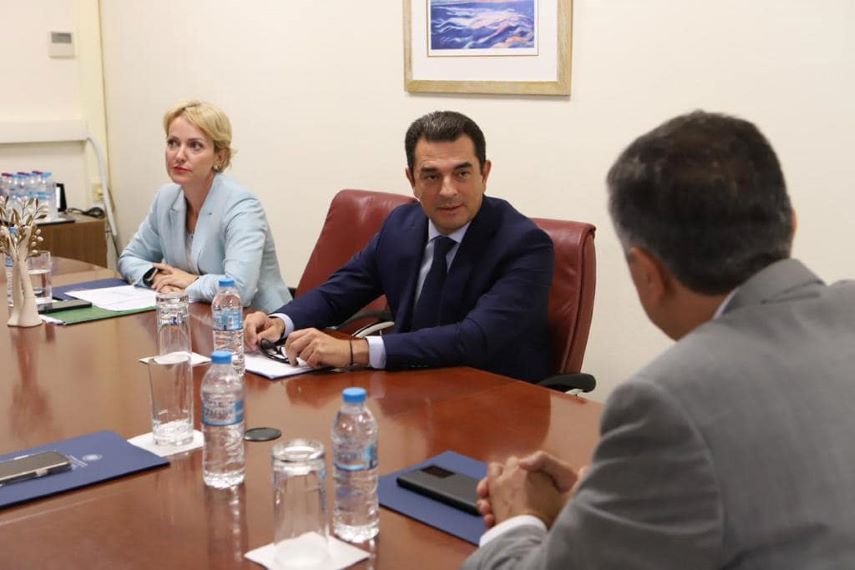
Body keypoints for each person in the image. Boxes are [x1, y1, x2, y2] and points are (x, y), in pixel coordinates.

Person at [464, 111, 855, 569]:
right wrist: (614, 503)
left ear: (647, 273)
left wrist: (517, 521)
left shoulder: (669, 402)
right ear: (791, 225)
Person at [244, 110, 554, 382]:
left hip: (491, 398)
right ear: (411, 180)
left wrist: (355, 351)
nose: (448, 190)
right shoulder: (402, 225)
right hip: (408, 388)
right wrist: (280, 322)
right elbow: (338, 292)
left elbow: (474, 338)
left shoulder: (525, 245)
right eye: (431, 176)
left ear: (484, 174)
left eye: (462, 173)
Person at [118, 100, 291, 312]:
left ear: (220, 156)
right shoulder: (165, 198)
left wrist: (190, 281)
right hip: (199, 315)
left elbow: (239, 289)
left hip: (259, 322)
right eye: (173, 143)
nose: (179, 155)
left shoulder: (241, 205)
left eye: (195, 146)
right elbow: (129, 258)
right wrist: (156, 276)